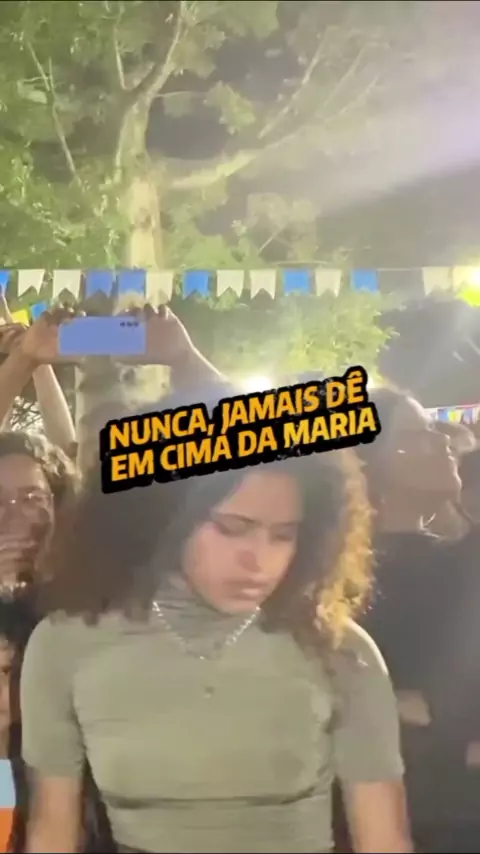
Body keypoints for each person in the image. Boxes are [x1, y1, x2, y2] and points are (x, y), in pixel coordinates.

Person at [21, 389, 412, 854]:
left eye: (283, 536)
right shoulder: (65, 644)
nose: (258, 560)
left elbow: (384, 841)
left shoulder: (338, 648)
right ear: (163, 518)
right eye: (232, 528)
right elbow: (51, 831)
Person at [357, 387, 478, 852]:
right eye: (416, 436)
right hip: (434, 814)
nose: (443, 441)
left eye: (434, 430)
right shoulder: (346, 579)